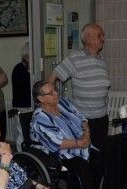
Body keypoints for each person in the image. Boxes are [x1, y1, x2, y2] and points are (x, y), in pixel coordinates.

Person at [30, 80, 99, 189]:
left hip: (81, 143)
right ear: (40, 98)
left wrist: (87, 134)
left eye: (55, 90)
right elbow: (56, 142)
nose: (56, 93)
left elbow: (82, 119)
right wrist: (80, 143)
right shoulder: (39, 118)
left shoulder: (64, 103)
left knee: (101, 157)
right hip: (58, 153)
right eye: (51, 93)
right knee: (80, 166)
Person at [48, 23, 110, 153]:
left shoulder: (101, 60)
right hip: (83, 120)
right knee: (85, 155)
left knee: (100, 153)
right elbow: (53, 76)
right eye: (99, 35)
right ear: (88, 38)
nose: (103, 39)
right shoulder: (75, 58)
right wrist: (49, 101)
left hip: (102, 118)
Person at [12, 42, 33, 143]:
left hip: (32, 105)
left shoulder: (34, 68)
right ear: (26, 57)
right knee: (22, 133)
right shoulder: (19, 69)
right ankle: (21, 156)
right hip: (22, 107)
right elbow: (24, 88)